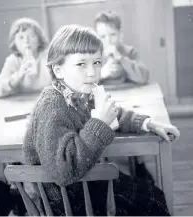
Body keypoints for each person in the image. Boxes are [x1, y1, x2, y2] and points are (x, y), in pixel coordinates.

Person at [23, 25, 180, 215]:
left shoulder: (79, 94)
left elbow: (112, 113)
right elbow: (62, 172)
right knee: (152, 201)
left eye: (97, 62)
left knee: (152, 193)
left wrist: (146, 123)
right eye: (81, 64)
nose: (92, 72)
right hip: (68, 201)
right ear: (58, 70)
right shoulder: (52, 105)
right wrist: (99, 124)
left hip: (85, 180)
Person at [0, 17, 51, 98]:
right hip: (22, 105)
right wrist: (18, 75)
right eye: (21, 37)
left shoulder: (49, 56)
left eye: (31, 36)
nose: (26, 41)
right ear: (14, 42)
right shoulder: (12, 60)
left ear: (39, 39)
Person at [95, 11, 149, 86]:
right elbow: (82, 84)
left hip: (129, 93)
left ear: (120, 35)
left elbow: (143, 77)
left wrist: (121, 59)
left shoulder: (130, 52)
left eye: (113, 35)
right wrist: (101, 74)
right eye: (102, 37)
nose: (108, 41)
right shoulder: (92, 54)